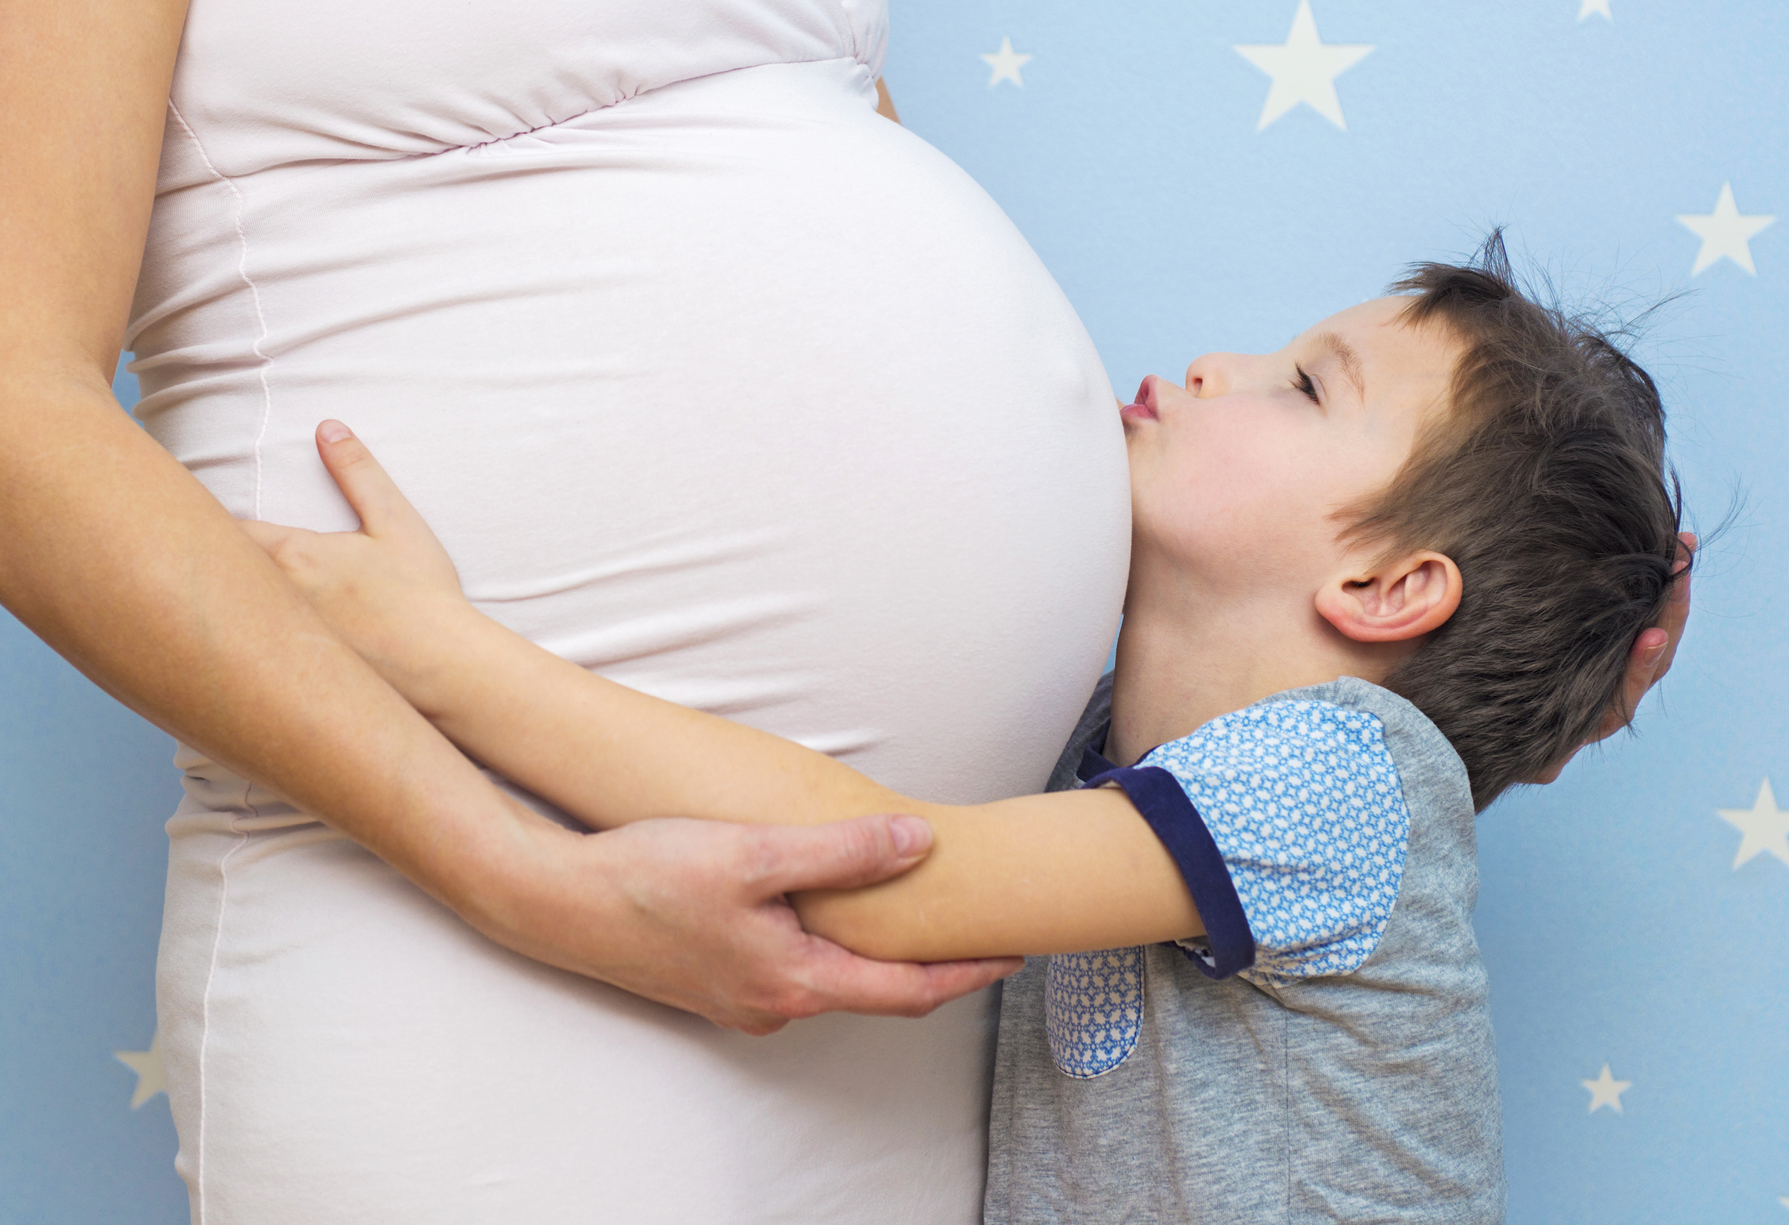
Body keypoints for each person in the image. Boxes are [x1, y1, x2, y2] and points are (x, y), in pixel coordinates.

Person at [0, 0, 1682, 1216]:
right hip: (520, 919)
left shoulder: (1313, 778)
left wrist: (1543, 623)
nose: (1221, 370)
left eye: (1301, 383)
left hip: (896, 1066)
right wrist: (517, 861)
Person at [242, 239, 1696, 1223]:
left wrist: (446, 657)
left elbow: (881, 866)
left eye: (1304, 386)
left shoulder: (1349, 771)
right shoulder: (1119, 757)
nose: (1211, 364)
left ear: (1384, 587)